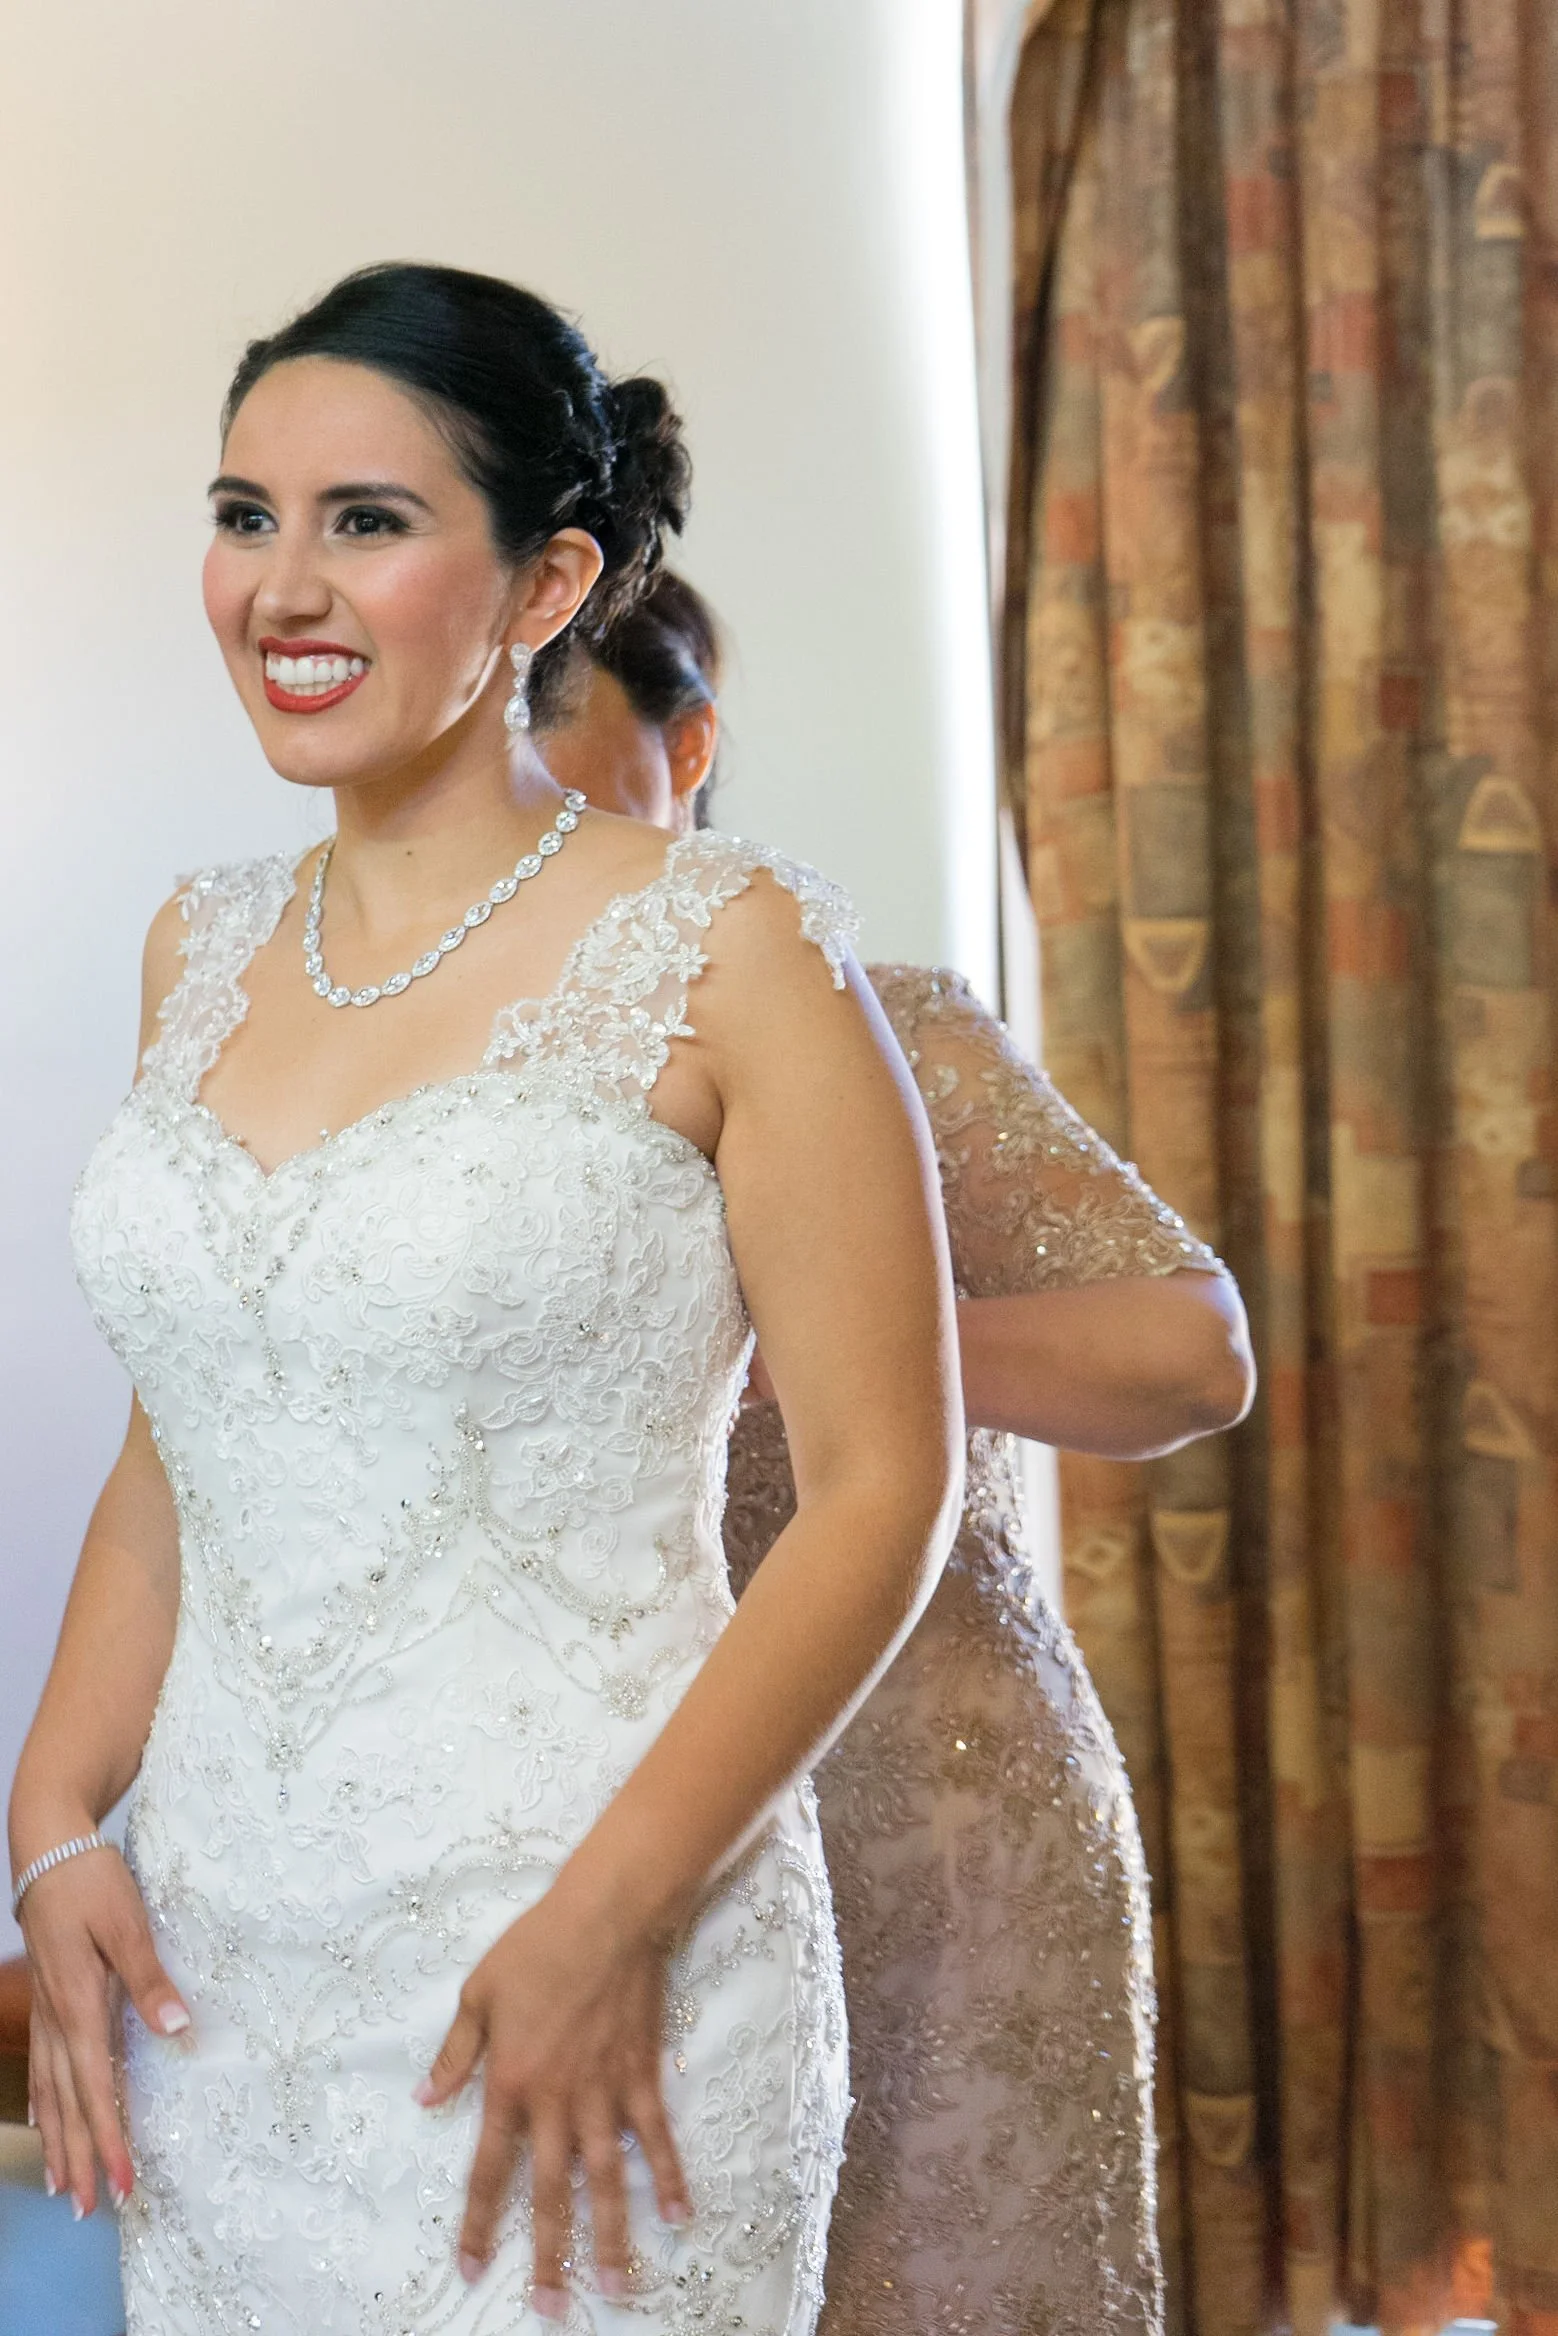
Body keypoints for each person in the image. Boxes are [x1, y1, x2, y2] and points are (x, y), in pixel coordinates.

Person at [8, 264, 967, 2335]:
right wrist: (54, 1816)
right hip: (231, 1981)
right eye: (245, 514)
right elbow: (188, 1439)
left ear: (546, 584)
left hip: (587, 1954)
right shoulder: (201, 945)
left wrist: (609, 1923)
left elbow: (884, 1487)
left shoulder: (730, 949)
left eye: (366, 520)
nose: (281, 584)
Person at [542, 574, 1257, 2335]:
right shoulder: (417, 1087)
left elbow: (1188, 1349)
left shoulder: (887, 1024)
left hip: (926, 1814)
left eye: (549, 778)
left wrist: (834, 1350)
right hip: (591, 1810)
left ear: (685, 749)